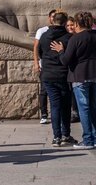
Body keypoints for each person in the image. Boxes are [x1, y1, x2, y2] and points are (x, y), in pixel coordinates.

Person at [51, 12, 96, 149]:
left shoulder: (76, 39)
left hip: (80, 76)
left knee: (84, 109)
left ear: (77, 24)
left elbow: (65, 60)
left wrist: (61, 50)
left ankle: (87, 140)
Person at [38, 11, 77, 147]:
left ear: (52, 20)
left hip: (48, 75)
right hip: (63, 75)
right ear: (65, 22)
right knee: (65, 106)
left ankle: (56, 137)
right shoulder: (69, 38)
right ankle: (66, 134)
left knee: (55, 105)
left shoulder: (43, 36)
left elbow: (40, 54)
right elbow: (71, 57)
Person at [34, 9, 56, 124]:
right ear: (49, 18)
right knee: (44, 91)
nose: (54, 18)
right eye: (52, 16)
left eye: (56, 16)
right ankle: (44, 114)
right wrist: (36, 62)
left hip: (59, 66)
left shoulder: (63, 31)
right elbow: (36, 47)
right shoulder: (42, 31)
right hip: (45, 66)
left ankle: (56, 114)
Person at [66, 15, 80, 123]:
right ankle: (73, 111)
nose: (70, 27)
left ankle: (76, 111)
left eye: (72, 25)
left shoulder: (78, 37)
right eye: (67, 25)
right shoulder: (65, 38)